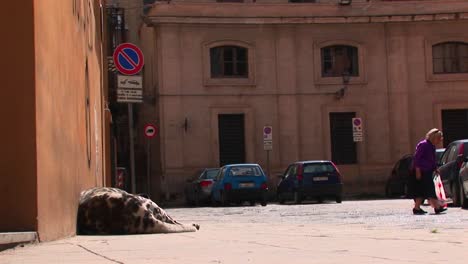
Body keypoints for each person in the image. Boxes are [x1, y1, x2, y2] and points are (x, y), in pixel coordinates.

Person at [409, 128, 447, 215]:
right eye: (439, 138)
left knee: (422, 191)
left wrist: (435, 168)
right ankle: (437, 207)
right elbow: (417, 158)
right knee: (429, 190)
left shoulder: (432, 146)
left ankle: (417, 208)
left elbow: (431, 159)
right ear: (434, 138)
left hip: (427, 171)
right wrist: (418, 171)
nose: (440, 141)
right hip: (421, 171)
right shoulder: (423, 145)